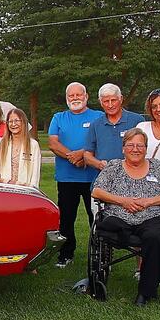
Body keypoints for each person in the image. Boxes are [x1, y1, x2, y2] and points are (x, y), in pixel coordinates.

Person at [91, 128, 160, 306]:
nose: (135, 149)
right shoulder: (114, 166)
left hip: (151, 218)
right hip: (119, 219)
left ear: (146, 149)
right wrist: (123, 201)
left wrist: (149, 201)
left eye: (140, 145)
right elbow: (97, 191)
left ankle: (145, 293)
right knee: (108, 226)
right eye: (130, 145)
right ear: (123, 148)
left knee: (157, 237)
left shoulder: (156, 166)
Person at [47, 82, 102, 268]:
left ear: (86, 96)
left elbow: (101, 141)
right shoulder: (59, 117)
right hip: (67, 178)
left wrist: (83, 155)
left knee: (96, 217)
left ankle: (99, 254)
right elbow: (53, 143)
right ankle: (66, 253)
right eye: (71, 95)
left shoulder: (98, 116)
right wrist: (73, 157)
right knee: (66, 219)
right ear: (66, 98)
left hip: (93, 178)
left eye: (79, 94)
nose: (75, 98)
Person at [84, 83, 143, 172]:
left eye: (113, 100)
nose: (110, 105)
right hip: (104, 175)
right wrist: (99, 164)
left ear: (121, 99)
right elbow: (87, 155)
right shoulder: (95, 125)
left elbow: (145, 149)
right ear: (100, 102)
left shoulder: (137, 121)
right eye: (106, 101)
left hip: (133, 174)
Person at [0, 108, 41, 188]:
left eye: (17, 120)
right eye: (10, 121)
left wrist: (33, 190)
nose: (13, 124)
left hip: (25, 190)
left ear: (23, 122)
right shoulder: (1, 143)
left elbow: (35, 174)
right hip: (5, 189)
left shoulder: (33, 145)